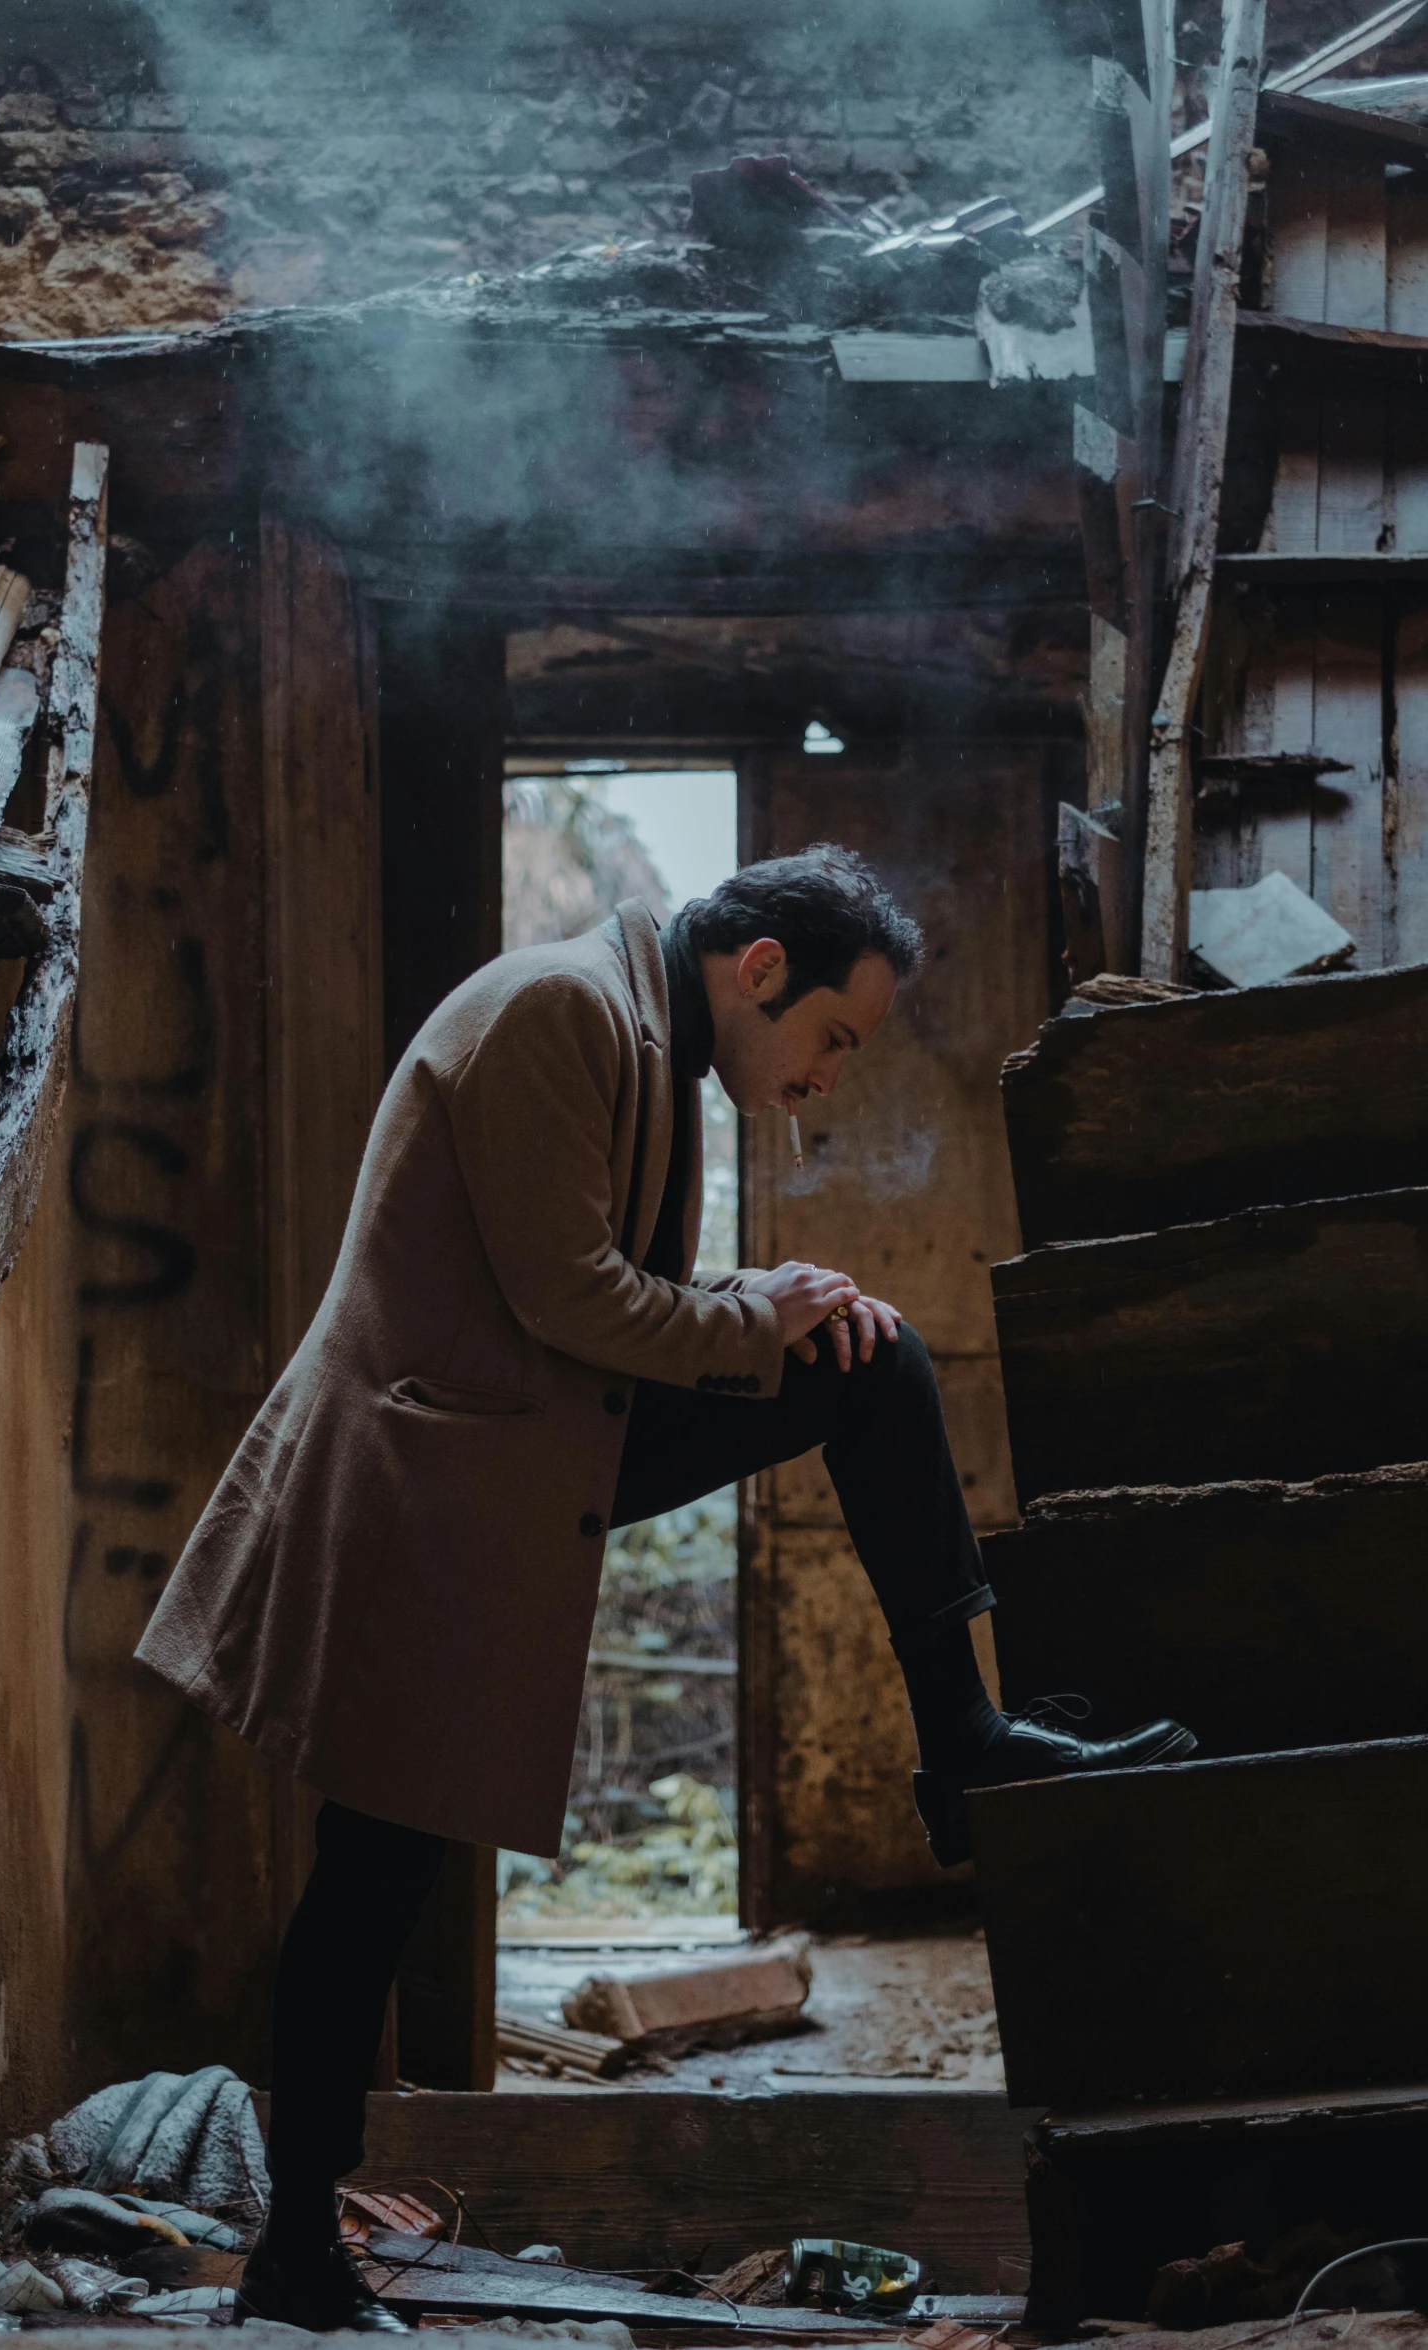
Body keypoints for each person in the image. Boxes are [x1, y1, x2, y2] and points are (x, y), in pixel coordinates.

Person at [137, 843, 1193, 2332]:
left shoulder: (642, 1030)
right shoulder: (560, 1015)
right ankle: (293, 2258)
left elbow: (601, 1312)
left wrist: (782, 1319)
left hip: (524, 1440)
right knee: (369, 1875)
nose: (829, 1076)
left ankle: (963, 1735)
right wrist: (753, 1313)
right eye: (832, 1035)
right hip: (424, 1494)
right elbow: (569, 1292)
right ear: (759, 970)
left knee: (868, 1357)